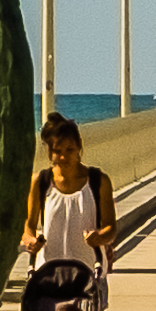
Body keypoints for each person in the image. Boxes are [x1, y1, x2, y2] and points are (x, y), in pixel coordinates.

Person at [22, 113, 117, 279]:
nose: (64, 157)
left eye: (70, 150)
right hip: (48, 275)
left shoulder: (98, 181)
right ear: (49, 151)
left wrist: (100, 237)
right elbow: (28, 225)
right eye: (57, 151)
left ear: (79, 147)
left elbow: (111, 228)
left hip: (88, 275)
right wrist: (31, 240)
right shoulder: (40, 182)